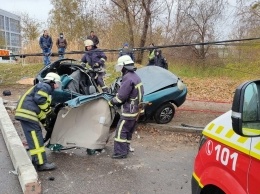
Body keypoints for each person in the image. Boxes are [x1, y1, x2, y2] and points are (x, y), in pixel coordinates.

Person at [15, 72, 61, 171]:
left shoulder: (41, 87)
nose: (58, 86)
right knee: (36, 139)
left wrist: (46, 124)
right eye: (57, 83)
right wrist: (50, 112)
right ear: (52, 81)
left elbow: (40, 112)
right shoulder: (45, 86)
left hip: (27, 113)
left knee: (35, 138)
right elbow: (40, 100)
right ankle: (41, 164)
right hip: (28, 113)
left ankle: (36, 161)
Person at [108, 55, 144, 159]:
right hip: (137, 110)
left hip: (130, 110)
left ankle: (120, 152)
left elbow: (121, 97)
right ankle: (126, 149)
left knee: (121, 131)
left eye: (120, 67)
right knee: (128, 131)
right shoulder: (135, 76)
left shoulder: (127, 78)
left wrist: (112, 102)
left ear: (124, 66)